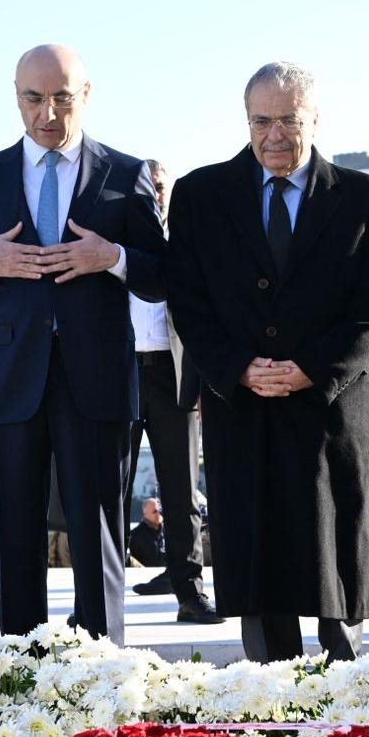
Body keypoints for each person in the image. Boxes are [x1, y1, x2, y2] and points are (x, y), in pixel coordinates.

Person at [0, 44, 167, 645]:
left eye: (63, 98)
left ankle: (105, 669)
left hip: (98, 378)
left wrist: (110, 257)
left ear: (86, 96)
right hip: (11, 380)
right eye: (34, 99)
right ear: (17, 98)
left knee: (98, 531)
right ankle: (21, 672)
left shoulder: (125, 174)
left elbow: (167, 273)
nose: (48, 114)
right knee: (14, 531)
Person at [167, 61, 369, 663]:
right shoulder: (200, 195)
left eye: (289, 121)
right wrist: (238, 366)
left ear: (315, 119)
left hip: (330, 415)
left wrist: (313, 369)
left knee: (336, 580)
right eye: (261, 121)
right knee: (259, 579)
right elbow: (187, 301)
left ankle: (350, 715)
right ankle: (273, 718)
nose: (274, 135)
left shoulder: (364, 196)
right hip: (243, 412)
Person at [122, 160, 223, 625]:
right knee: (106, 488)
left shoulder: (189, 238)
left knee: (181, 490)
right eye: (146, 186)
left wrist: (205, 380)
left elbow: (206, 313)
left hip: (172, 373)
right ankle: (99, 598)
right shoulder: (114, 239)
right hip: (117, 372)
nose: (154, 193)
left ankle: (190, 590)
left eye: (160, 186)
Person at [128, 497, 166, 567]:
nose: (158, 514)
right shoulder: (136, 535)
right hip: (146, 575)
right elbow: (134, 562)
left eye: (159, 511)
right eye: (154, 512)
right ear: (145, 514)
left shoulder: (167, 531)